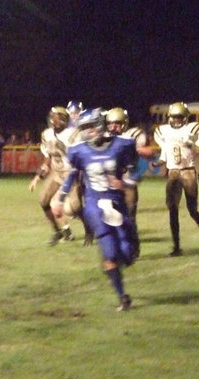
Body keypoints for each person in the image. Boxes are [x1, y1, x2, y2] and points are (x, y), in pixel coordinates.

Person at [53, 108, 138, 311]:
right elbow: (74, 174)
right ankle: (122, 297)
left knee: (127, 253)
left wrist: (125, 181)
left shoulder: (122, 145)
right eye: (85, 128)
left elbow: (139, 165)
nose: (89, 131)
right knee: (109, 253)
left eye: (92, 126)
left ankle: (122, 260)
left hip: (117, 203)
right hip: (95, 205)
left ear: (100, 124)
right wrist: (61, 198)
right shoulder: (79, 150)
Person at [153, 102, 199, 256]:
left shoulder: (192, 130)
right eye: (174, 117)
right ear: (170, 118)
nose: (177, 120)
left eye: (180, 117)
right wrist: (156, 163)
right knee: (172, 210)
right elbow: (164, 157)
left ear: (185, 118)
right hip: (173, 172)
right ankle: (176, 246)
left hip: (188, 172)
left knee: (192, 210)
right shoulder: (163, 133)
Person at [29, 107, 84, 246]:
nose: (54, 120)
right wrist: (37, 177)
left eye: (58, 117)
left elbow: (82, 155)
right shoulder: (47, 134)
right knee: (43, 200)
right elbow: (47, 158)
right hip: (56, 173)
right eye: (53, 117)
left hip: (71, 173)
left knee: (75, 208)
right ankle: (59, 231)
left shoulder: (73, 134)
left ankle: (93, 225)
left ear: (64, 119)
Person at [104, 108, 155, 223]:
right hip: (110, 181)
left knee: (129, 216)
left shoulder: (134, 134)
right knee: (109, 215)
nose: (113, 127)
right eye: (111, 123)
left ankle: (129, 238)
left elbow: (150, 153)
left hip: (128, 181)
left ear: (124, 123)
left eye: (117, 123)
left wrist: (133, 149)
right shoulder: (105, 137)